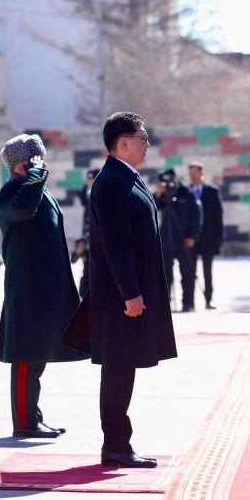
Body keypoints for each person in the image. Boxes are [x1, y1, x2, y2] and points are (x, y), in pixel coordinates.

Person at [87, 112, 177, 468]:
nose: (147, 144)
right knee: (118, 367)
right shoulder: (111, 182)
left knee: (123, 367)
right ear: (123, 141)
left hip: (130, 293)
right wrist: (130, 292)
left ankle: (118, 443)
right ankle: (116, 445)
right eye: (142, 137)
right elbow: (115, 245)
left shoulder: (127, 177)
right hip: (119, 298)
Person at [0, 134, 88, 439]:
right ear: (23, 164)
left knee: (38, 355)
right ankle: (24, 422)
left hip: (46, 286)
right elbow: (22, 210)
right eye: (37, 160)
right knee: (25, 356)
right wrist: (34, 176)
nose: (43, 164)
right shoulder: (12, 193)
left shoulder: (37, 190)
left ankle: (33, 415)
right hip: (27, 287)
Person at [155, 168, 202, 312]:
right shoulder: (163, 195)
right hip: (166, 240)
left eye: (171, 179)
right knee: (165, 274)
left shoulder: (186, 193)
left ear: (176, 179)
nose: (169, 183)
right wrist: (158, 195)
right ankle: (165, 304)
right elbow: (151, 208)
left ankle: (188, 303)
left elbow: (196, 216)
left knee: (187, 273)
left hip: (184, 239)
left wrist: (192, 236)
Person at [188, 162, 223, 309]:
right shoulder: (186, 191)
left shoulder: (212, 191)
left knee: (207, 271)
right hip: (191, 239)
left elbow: (218, 217)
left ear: (201, 173)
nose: (192, 176)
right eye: (190, 173)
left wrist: (219, 238)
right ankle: (189, 301)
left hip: (208, 238)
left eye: (195, 172)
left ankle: (209, 300)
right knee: (190, 271)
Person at [75, 168, 100, 298]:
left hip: (99, 242)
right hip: (87, 240)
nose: (91, 182)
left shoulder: (101, 195)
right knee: (87, 271)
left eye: (93, 180)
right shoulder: (88, 194)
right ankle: (84, 298)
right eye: (89, 180)